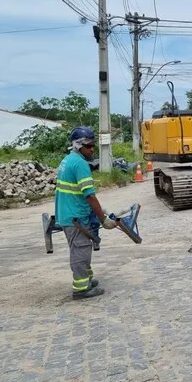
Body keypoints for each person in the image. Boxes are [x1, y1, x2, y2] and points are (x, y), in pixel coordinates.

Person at [55, 127, 116, 300]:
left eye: (92, 146)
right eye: (88, 146)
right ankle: (81, 288)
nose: (92, 149)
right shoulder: (80, 164)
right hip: (75, 217)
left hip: (70, 213)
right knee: (80, 250)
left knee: (82, 248)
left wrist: (98, 211)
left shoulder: (68, 160)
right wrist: (103, 219)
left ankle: (87, 279)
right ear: (78, 145)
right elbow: (89, 195)